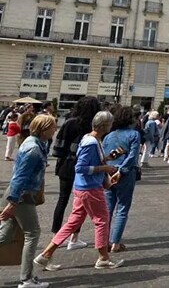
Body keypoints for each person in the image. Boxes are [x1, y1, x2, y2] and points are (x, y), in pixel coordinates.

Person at [35, 111, 124, 270]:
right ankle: (103, 257)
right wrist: (104, 167)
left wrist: (107, 158)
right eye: (110, 124)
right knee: (102, 220)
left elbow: (88, 162)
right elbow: (81, 167)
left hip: (82, 187)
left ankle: (46, 254)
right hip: (90, 188)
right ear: (105, 126)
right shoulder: (92, 142)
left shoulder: (89, 139)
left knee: (73, 222)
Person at [0, 114, 58, 288]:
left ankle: (26, 278)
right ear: (44, 129)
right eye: (52, 127)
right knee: (32, 233)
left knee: (5, 235)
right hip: (21, 196)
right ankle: (26, 279)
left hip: (19, 194)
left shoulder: (35, 143)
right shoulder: (33, 148)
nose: (55, 130)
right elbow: (20, 177)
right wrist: (12, 202)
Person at [50, 95, 101, 251]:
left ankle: (56, 235)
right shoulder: (93, 127)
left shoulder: (69, 123)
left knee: (62, 199)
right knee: (80, 205)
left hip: (66, 165)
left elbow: (58, 147)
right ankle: (74, 237)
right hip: (84, 169)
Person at [102, 105, 141, 252]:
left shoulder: (109, 136)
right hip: (124, 174)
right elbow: (133, 156)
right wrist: (122, 170)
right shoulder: (134, 134)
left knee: (107, 209)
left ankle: (104, 240)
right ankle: (115, 242)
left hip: (109, 172)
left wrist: (107, 172)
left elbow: (104, 156)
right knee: (122, 208)